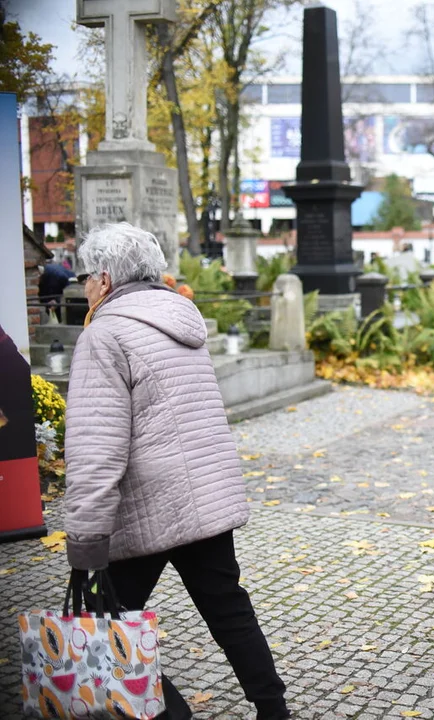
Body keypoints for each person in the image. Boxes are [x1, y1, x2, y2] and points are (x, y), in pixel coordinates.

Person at [63, 222, 289, 720]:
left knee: (100, 620)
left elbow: (94, 448)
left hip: (148, 502)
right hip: (203, 495)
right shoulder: (181, 318)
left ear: (103, 279)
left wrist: (85, 538)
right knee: (227, 606)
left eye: (84, 277)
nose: (82, 288)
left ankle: (170, 712)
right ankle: (274, 710)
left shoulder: (105, 334)